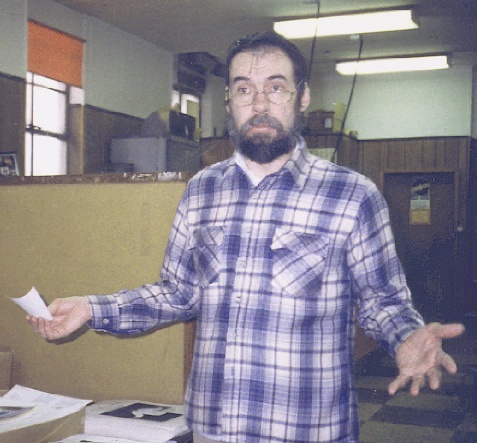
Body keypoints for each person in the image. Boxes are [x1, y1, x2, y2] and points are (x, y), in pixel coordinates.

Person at [27, 31, 464, 443]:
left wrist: (405, 335)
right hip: (214, 427)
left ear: (302, 97)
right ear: (229, 101)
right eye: (243, 89)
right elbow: (178, 293)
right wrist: (92, 308)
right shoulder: (202, 190)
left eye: (275, 87)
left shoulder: (352, 195)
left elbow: (382, 300)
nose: (259, 103)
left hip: (306, 429)